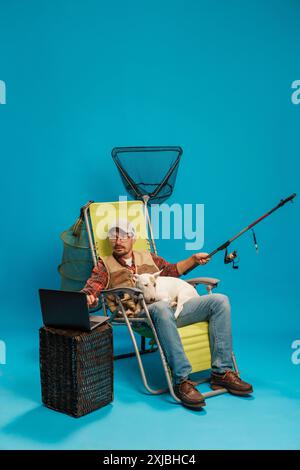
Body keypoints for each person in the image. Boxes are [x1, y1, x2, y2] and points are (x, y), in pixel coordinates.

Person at [81, 219, 253, 410]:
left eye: (124, 235)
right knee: (161, 307)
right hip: (140, 315)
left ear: (133, 237)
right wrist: (89, 297)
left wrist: (194, 260)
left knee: (219, 301)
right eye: (114, 236)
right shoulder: (104, 264)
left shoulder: (148, 257)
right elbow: (92, 287)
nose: (118, 240)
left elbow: (171, 271)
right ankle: (182, 381)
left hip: (170, 310)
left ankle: (222, 373)